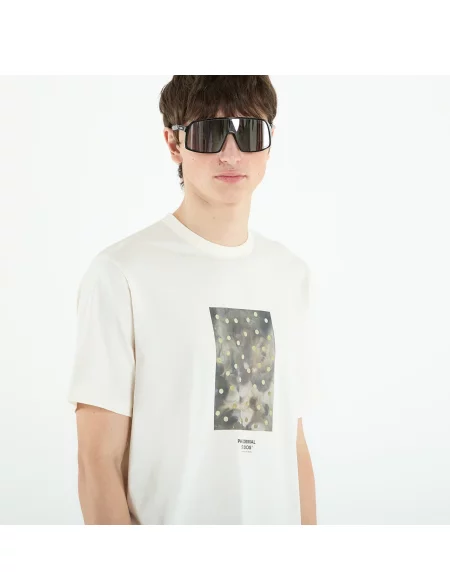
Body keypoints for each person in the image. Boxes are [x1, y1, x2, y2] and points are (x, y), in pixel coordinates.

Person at [68, 75, 322, 525]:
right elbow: (97, 461)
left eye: (249, 132)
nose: (231, 153)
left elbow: (293, 442)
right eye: (210, 133)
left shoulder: (291, 275)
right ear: (174, 143)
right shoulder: (122, 273)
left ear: (269, 143)